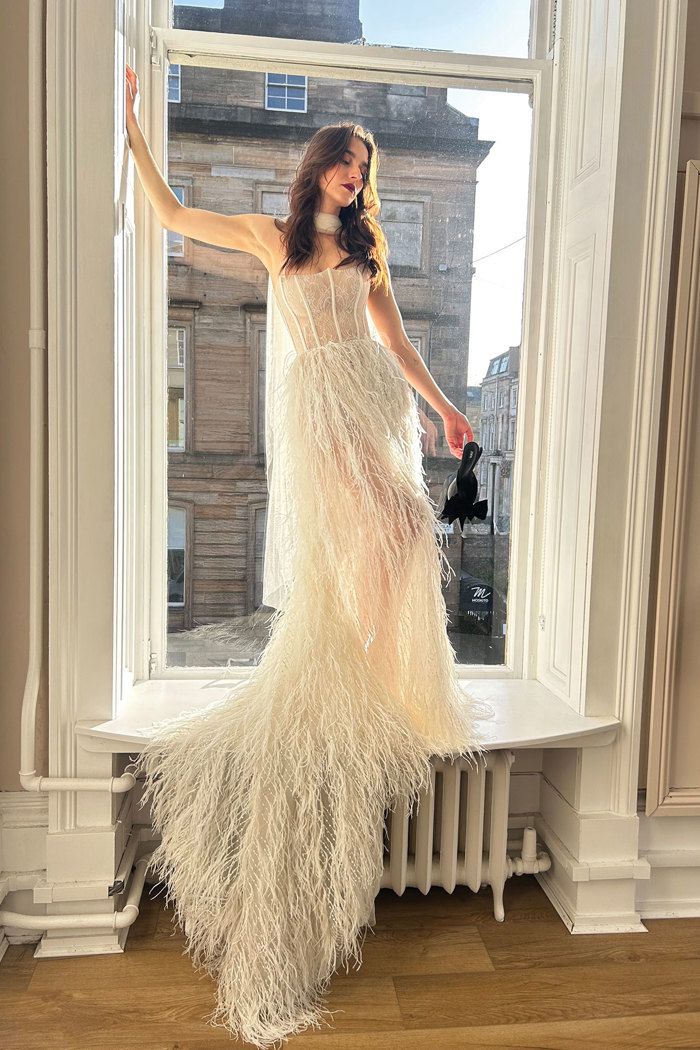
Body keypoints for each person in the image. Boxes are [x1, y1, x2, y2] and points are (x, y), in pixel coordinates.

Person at [124, 63, 489, 1049]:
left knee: (407, 530)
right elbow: (166, 215)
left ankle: (378, 674)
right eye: (346, 160)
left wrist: (446, 409)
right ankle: (353, 675)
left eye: (365, 164)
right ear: (318, 166)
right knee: (364, 537)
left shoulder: (366, 254)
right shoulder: (267, 238)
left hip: (369, 392)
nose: (355, 173)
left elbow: (402, 347)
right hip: (315, 400)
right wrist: (130, 125)